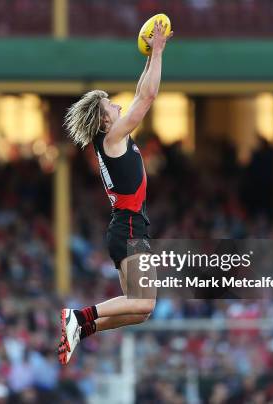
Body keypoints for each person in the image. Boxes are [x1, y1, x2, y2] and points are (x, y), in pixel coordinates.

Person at [58, 21, 172, 365]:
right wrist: (160, 53)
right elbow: (148, 97)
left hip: (126, 227)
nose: (118, 106)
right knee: (143, 303)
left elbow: (140, 93)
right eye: (110, 104)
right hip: (130, 227)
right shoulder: (113, 136)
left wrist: (150, 55)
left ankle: (84, 326)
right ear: (104, 120)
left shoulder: (110, 137)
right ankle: (77, 317)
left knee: (140, 310)